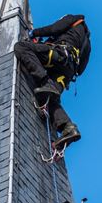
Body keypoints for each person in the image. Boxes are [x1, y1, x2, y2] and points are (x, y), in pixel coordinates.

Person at [14, 14, 91, 149]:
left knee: (21, 47)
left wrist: (34, 33)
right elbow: (81, 69)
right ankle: (68, 127)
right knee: (49, 98)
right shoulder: (87, 44)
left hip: (60, 56)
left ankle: (45, 80)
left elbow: (55, 29)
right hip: (66, 72)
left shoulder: (73, 19)